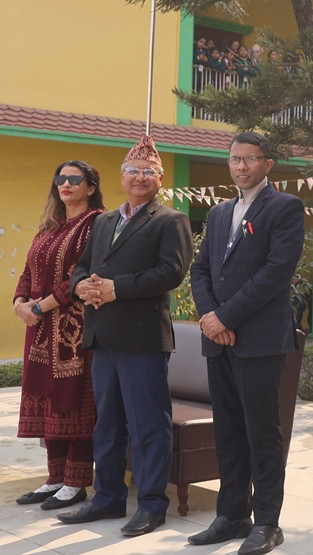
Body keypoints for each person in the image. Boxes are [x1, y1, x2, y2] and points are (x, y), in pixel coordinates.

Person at [57, 135, 192, 538]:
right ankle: (108, 497)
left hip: (143, 337)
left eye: (148, 171)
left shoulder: (170, 220)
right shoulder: (103, 222)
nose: (139, 177)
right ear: (121, 177)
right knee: (108, 424)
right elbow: (82, 267)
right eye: (133, 170)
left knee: (148, 424)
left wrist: (117, 288)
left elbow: (171, 272)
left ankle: (151, 504)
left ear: (160, 179)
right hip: (102, 335)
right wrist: (82, 286)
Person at [188, 132, 305, 555]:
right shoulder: (219, 212)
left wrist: (226, 317)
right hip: (219, 341)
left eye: (250, 159)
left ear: (267, 164)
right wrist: (210, 318)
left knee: (262, 433)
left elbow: (275, 273)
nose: (241, 166)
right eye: (235, 159)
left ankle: (267, 522)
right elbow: (200, 269)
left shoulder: (285, 207)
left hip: (259, 340)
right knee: (228, 431)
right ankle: (231, 514)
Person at [12, 161, 104, 511]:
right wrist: (20, 303)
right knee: (47, 400)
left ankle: (76, 482)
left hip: (73, 328)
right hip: (39, 330)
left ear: (90, 187)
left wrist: (39, 306)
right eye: (61, 178)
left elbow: (83, 277)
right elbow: (27, 271)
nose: (66, 184)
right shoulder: (49, 227)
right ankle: (54, 478)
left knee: (73, 401)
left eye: (74, 179)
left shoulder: (96, 223)